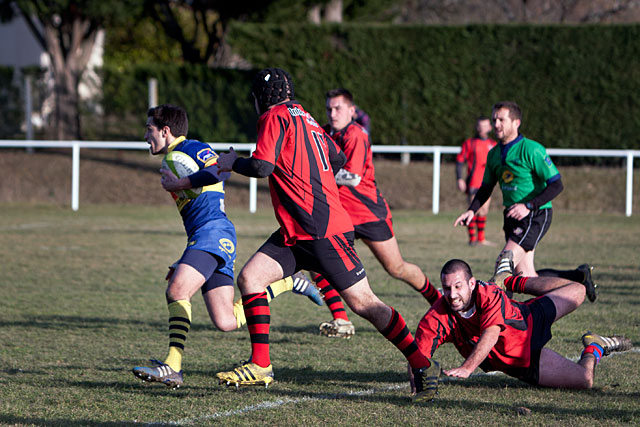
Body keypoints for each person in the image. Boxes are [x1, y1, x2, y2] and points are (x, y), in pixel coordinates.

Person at [213, 68, 439, 398]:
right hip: (296, 231)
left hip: (324, 231)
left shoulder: (274, 116)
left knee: (365, 304)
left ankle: (421, 363)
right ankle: (260, 365)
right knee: (250, 279)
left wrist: (232, 161)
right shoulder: (306, 117)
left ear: (262, 98)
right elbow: (337, 156)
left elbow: (262, 166)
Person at [131, 104, 323, 389]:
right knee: (226, 320)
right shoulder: (172, 157)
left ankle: (172, 366)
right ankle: (286, 284)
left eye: (149, 130)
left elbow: (218, 171)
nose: (146, 136)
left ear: (165, 130)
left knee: (177, 290)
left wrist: (180, 183)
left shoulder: (191, 148)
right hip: (208, 237)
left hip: (213, 233)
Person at [312, 88, 440, 338]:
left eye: (338, 108)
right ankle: (341, 320)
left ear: (351, 110)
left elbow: (352, 177)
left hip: (368, 214)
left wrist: (316, 174)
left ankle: (439, 302)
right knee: (314, 260)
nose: (332, 112)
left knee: (397, 268)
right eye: (329, 108)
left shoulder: (356, 134)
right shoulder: (324, 132)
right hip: (339, 215)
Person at [409, 258, 631, 398]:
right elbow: (417, 357)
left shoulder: (488, 294)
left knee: (578, 290)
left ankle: (509, 281)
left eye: (458, 286)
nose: (453, 294)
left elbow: (491, 333)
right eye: (447, 288)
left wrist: (467, 368)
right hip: (520, 361)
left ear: (471, 283)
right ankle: (595, 346)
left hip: (529, 318)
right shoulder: (436, 318)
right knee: (584, 380)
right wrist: (418, 387)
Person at [454, 101, 564, 277]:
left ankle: (500, 305)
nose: (496, 124)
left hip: (534, 215)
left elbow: (557, 185)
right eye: (494, 119)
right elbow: (486, 187)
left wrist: (528, 206)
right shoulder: (494, 154)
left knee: (504, 264)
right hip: (511, 216)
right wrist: (471, 211)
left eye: (501, 120)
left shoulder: (532, 149)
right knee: (524, 276)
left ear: (516, 123)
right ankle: (576, 279)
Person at [455, 116, 497, 246]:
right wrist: (459, 178)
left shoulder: (494, 144)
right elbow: (460, 161)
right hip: (473, 181)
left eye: (485, 126)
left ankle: (481, 239)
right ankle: (472, 239)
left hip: (488, 183)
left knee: (484, 210)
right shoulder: (470, 143)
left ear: (490, 127)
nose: (482, 128)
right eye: (479, 126)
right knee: (474, 210)